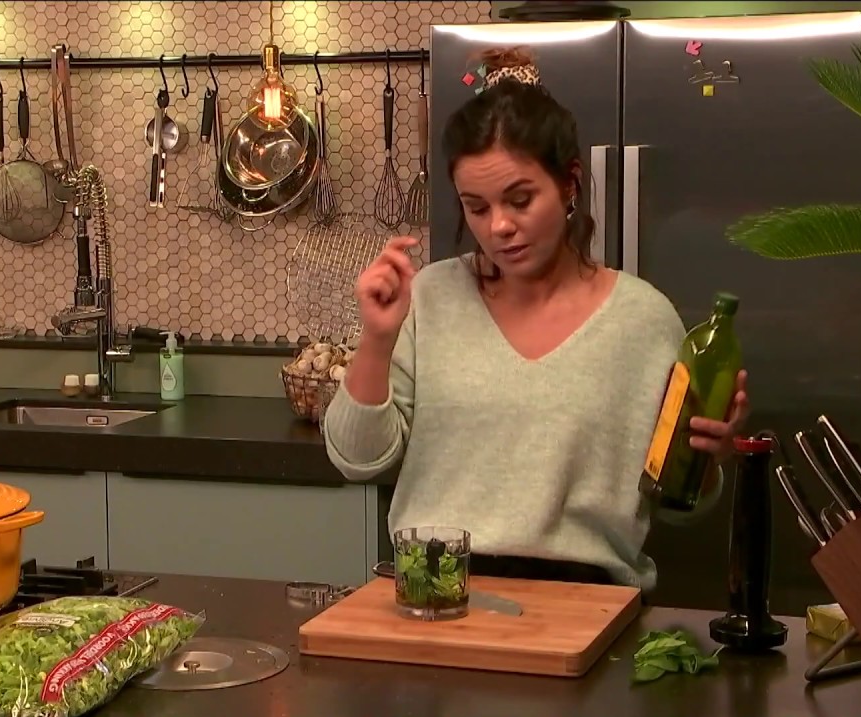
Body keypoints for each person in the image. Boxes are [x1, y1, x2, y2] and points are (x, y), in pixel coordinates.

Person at [320, 47, 749, 593]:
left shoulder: (644, 321)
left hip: (586, 597)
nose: (499, 226)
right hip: (435, 589)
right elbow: (356, 460)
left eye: (520, 200)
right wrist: (377, 339)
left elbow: (679, 503)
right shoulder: (430, 298)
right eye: (477, 207)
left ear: (569, 183)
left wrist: (708, 460)